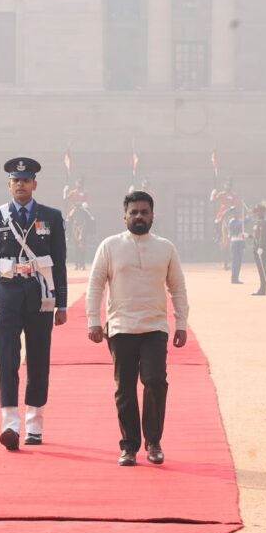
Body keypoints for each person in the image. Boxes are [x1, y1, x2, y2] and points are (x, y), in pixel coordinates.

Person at [85, 191, 189, 467]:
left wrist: (181, 324)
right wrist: (93, 320)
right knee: (125, 388)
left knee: (155, 381)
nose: (139, 216)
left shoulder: (166, 248)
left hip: (155, 326)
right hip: (121, 327)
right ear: (125, 216)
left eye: (144, 212)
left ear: (153, 216)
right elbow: (96, 285)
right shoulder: (109, 246)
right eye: (134, 212)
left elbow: (177, 288)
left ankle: (153, 442)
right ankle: (129, 446)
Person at [0, 157, 68, 451]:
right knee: (6, 360)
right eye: (16, 181)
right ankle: (9, 423)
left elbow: (59, 262)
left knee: (38, 359)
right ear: (9, 185)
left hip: (40, 295)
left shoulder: (51, 217)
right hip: (6, 295)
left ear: (35, 184)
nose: (21, 185)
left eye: (26, 180)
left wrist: (62, 304)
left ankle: (34, 424)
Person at [252, 203, 266, 296]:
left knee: (262, 269)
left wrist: (261, 247)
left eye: (261, 211)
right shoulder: (257, 222)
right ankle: (262, 286)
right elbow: (256, 236)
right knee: (260, 269)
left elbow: (263, 236)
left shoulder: (264, 222)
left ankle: (263, 289)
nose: (259, 213)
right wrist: (247, 236)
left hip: (260, 248)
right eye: (258, 211)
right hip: (256, 248)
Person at [228, 207, 246, 284]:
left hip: (240, 242)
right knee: (236, 261)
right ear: (232, 214)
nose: (238, 214)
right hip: (235, 243)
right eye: (236, 213)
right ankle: (234, 278)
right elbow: (238, 226)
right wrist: (247, 218)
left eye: (238, 213)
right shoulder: (232, 222)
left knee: (239, 262)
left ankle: (236, 278)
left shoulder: (238, 221)